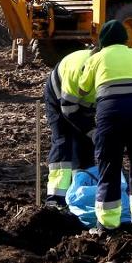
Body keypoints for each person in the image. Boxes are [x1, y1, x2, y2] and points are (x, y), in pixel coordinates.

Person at [76, 19, 132, 237]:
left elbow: (83, 89)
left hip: (110, 113)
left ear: (102, 40)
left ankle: (108, 226)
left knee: (109, 165)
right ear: (125, 38)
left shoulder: (98, 57)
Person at [43, 45, 97, 208]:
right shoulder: (78, 72)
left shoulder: (107, 73)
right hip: (59, 96)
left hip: (84, 103)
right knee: (63, 139)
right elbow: (68, 109)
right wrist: (92, 131)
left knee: (86, 144)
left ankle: (81, 189)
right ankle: (56, 196)